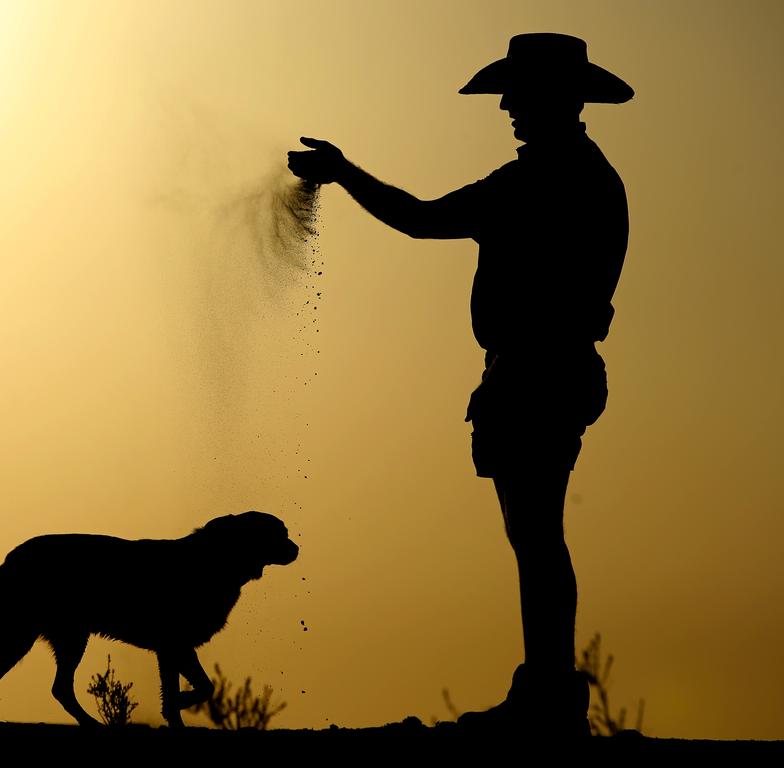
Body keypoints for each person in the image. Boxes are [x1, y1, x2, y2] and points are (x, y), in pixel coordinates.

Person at [287, 33, 632, 736]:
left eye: (518, 95)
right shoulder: (589, 176)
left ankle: (547, 695)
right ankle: (548, 687)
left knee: (535, 533)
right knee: (537, 532)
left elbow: (420, 219)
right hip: (553, 371)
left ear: (552, 101)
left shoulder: (538, 182)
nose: (506, 106)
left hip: (537, 373)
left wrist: (344, 172)